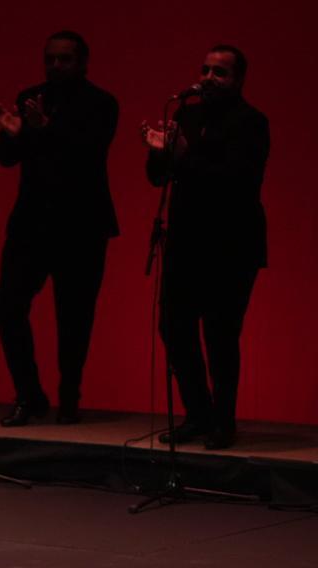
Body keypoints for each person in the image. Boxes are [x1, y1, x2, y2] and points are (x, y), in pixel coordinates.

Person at [141, 45, 268, 450]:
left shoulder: (251, 123)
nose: (209, 78)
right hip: (185, 240)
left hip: (231, 244)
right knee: (173, 327)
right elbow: (159, 179)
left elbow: (236, 181)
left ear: (238, 80)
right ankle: (198, 413)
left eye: (221, 72)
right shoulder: (186, 115)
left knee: (220, 334)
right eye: (206, 69)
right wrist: (158, 151)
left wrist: (185, 155)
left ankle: (223, 423)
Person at [0, 30, 119, 426]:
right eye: (50, 58)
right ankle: (29, 393)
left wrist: (42, 130)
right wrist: (14, 134)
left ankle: (69, 395)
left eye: (64, 59)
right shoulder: (31, 97)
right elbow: (6, 158)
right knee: (8, 305)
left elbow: (87, 153)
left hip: (82, 226)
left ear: (82, 63)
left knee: (74, 316)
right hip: (32, 222)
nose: (55, 66)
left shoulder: (101, 103)